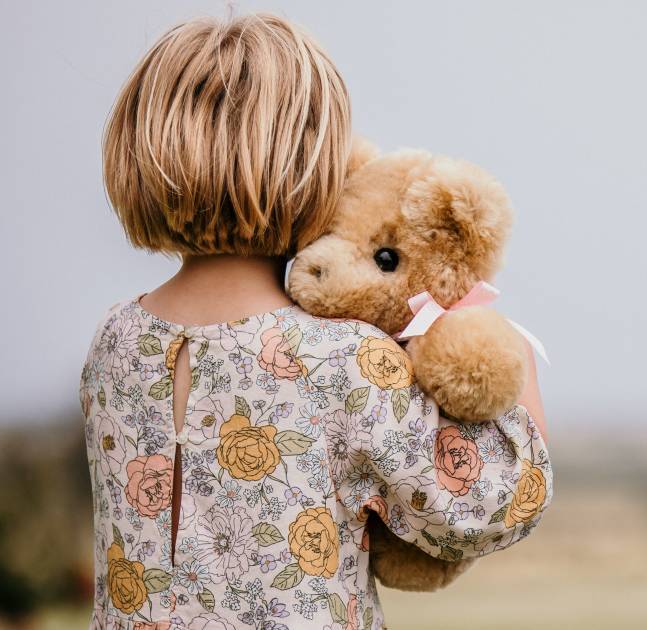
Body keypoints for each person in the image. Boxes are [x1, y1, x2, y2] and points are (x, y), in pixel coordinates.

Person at [80, 13, 551, 629]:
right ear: (317, 169)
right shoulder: (346, 359)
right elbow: (498, 503)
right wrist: (504, 345)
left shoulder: (116, 343)